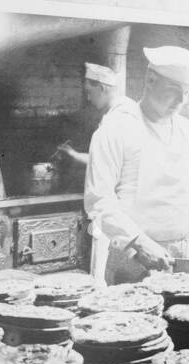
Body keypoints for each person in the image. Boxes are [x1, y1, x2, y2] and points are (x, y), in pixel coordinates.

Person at [84, 46, 189, 283]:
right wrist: (139, 243)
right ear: (150, 80)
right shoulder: (116, 129)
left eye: (188, 93)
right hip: (135, 259)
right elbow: (99, 200)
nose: (181, 101)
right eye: (174, 91)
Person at [57, 63, 138, 280]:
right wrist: (73, 154)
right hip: (127, 219)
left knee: (109, 276)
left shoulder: (116, 121)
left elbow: (104, 183)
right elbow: (107, 162)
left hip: (118, 215)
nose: (89, 98)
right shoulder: (129, 113)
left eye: (89, 92)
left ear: (103, 87)